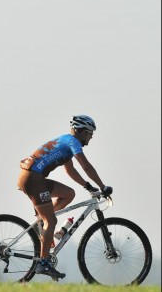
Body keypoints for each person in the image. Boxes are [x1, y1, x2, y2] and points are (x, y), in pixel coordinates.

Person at [17, 115, 112, 280]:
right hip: (33, 178)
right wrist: (103, 186)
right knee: (51, 222)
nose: (91, 137)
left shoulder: (66, 141)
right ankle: (43, 262)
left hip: (34, 176)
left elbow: (71, 171)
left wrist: (87, 186)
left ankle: (42, 221)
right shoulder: (72, 142)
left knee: (69, 194)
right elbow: (86, 166)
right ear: (81, 132)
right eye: (90, 133)